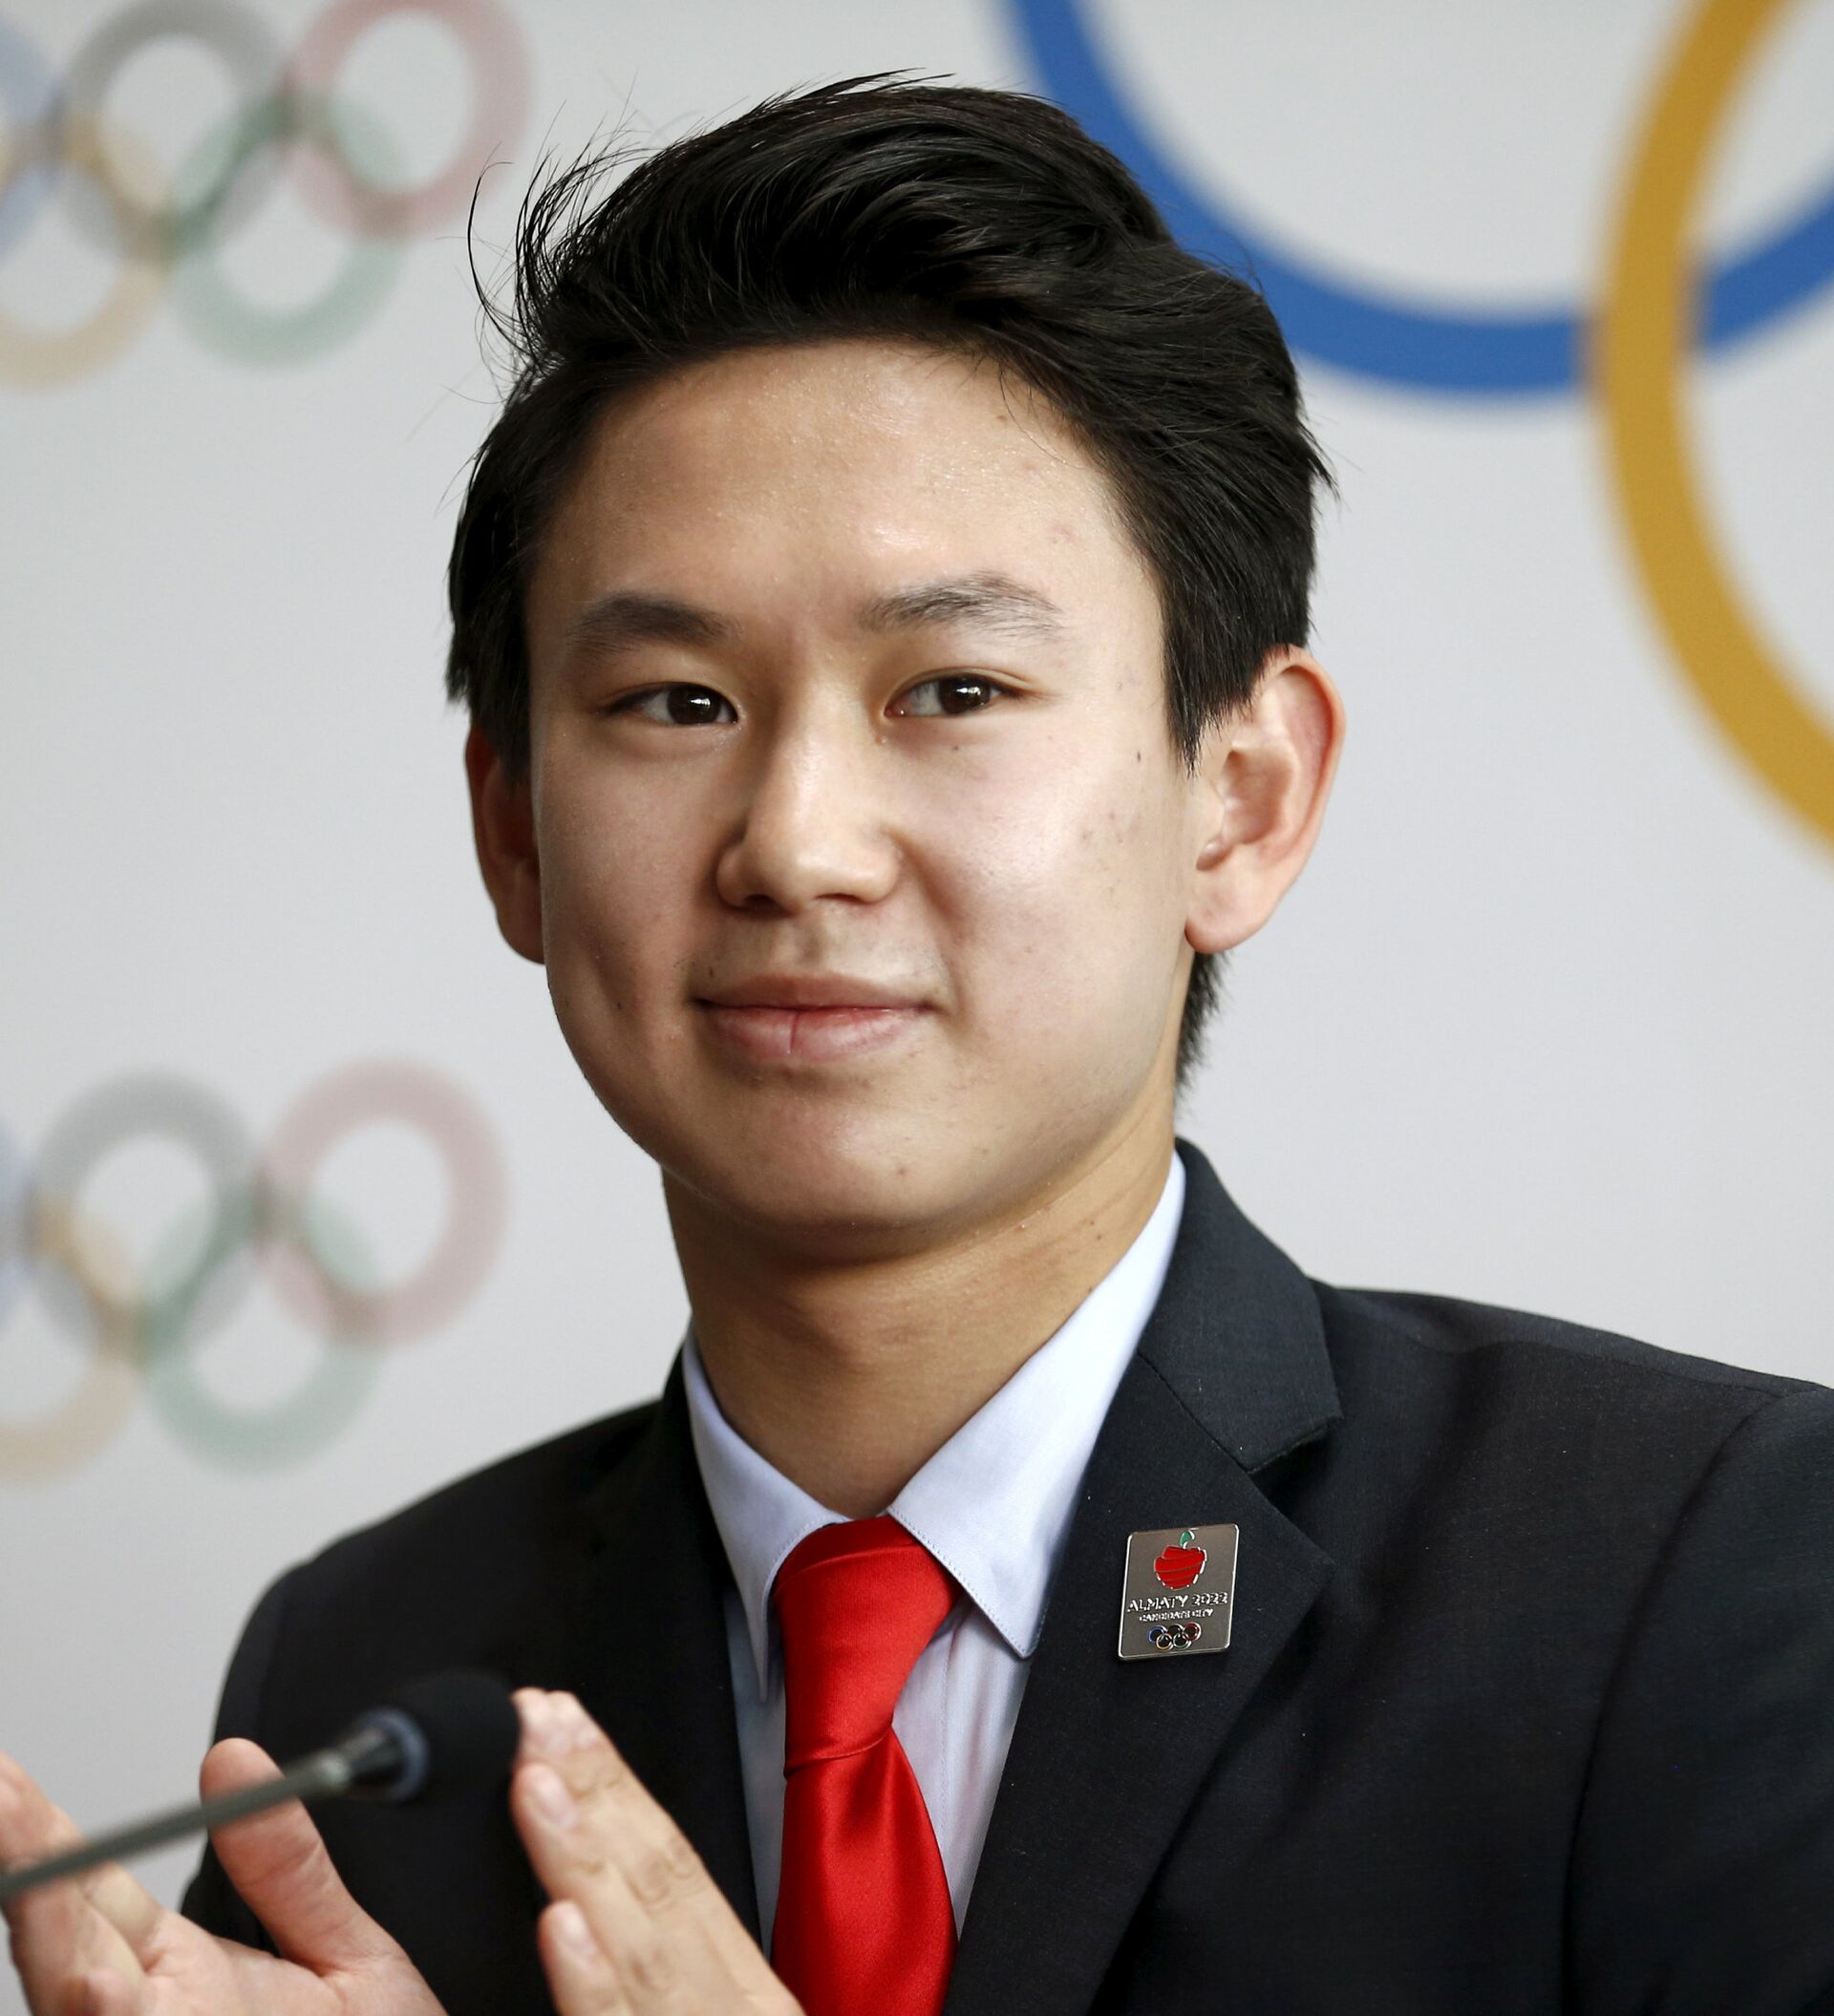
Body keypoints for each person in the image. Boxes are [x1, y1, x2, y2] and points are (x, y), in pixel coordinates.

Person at [4, 74, 1832, 2016]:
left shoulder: (1686, 1572)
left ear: (1241, 798)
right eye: (678, 701)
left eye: (951, 689)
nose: (797, 842)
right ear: (514, 832)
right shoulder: (372, 1669)